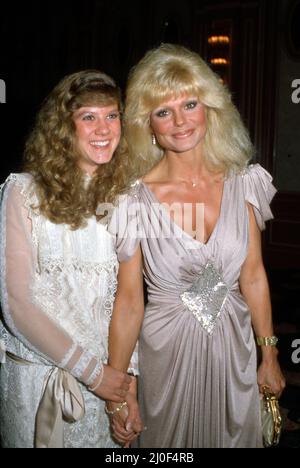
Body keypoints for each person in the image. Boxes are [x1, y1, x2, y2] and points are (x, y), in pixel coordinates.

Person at [107, 44, 286, 448]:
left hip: (234, 353)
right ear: (146, 124)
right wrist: (120, 392)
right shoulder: (132, 200)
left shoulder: (245, 181)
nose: (179, 122)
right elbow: (130, 302)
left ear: (210, 107)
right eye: (163, 111)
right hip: (164, 359)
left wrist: (270, 353)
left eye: (189, 104)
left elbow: (253, 275)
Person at [0, 70, 138, 448]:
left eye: (111, 116)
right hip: (40, 387)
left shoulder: (127, 200)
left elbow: (128, 302)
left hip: (107, 390)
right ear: (64, 127)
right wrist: (94, 374)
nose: (103, 128)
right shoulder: (22, 193)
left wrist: (127, 386)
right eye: (89, 117)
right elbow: (18, 304)